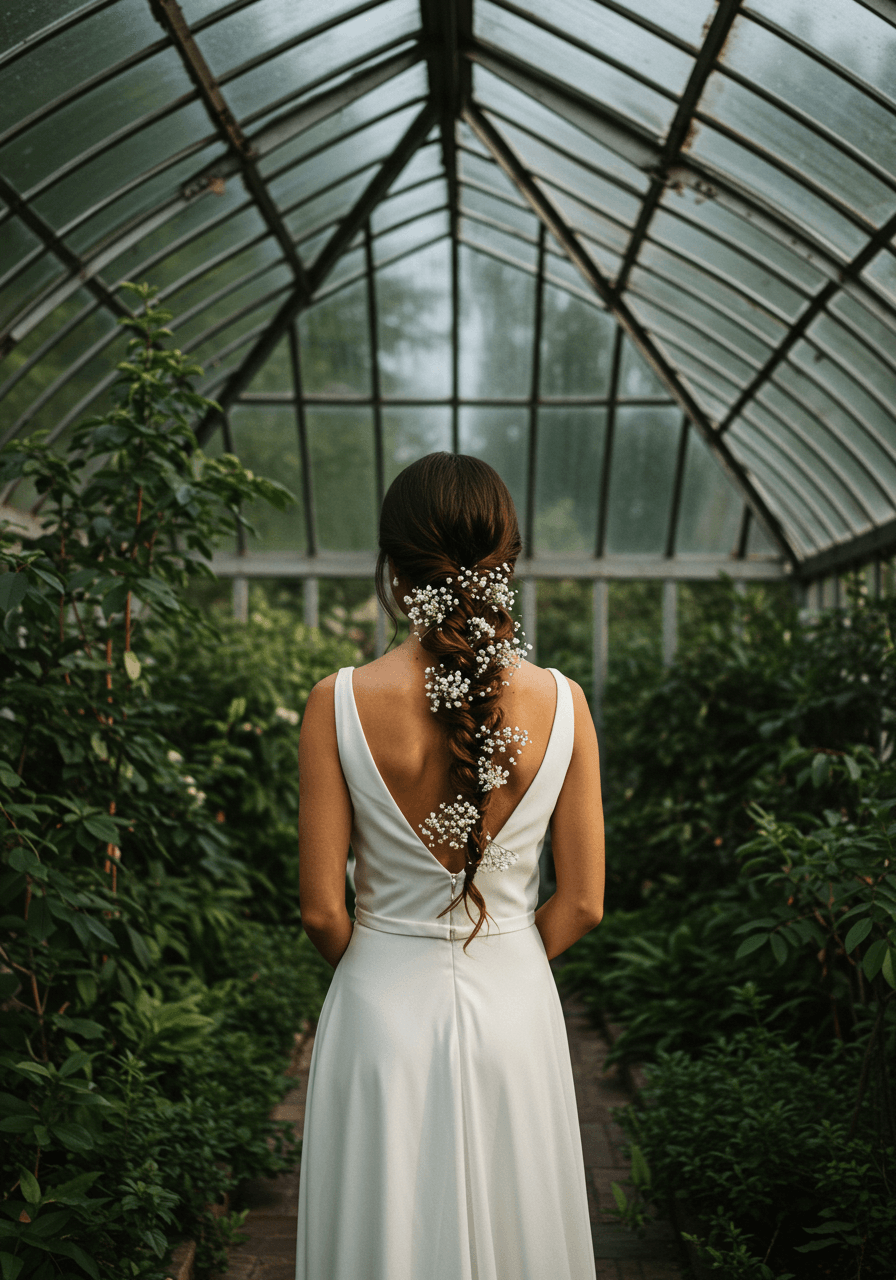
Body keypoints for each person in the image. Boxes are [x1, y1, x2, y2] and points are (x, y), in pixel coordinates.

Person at [296, 452, 605, 1280]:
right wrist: (503, 959)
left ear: (393, 571)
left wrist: (387, 960)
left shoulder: (337, 702)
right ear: (507, 562)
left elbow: (323, 911)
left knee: (383, 1234)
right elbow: (581, 904)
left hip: (376, 1022)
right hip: (515, 1013)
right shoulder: (563, 704)